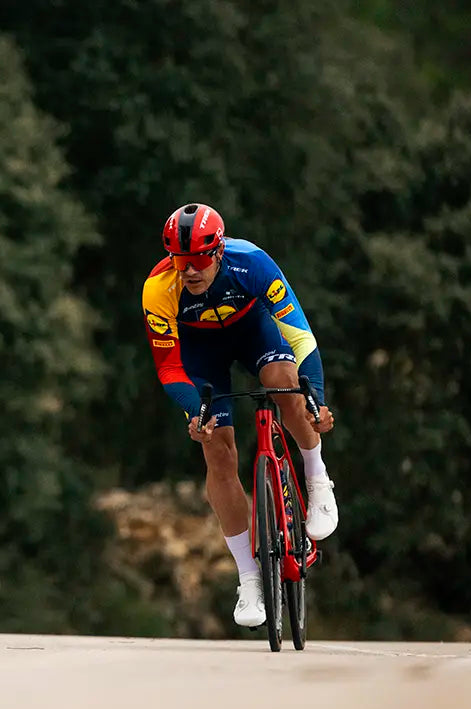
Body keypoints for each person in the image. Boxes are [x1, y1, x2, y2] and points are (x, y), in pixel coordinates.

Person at [141, 203, 337, 628]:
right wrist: (197, 412)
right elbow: (170, 369)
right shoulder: (158, 288)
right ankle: (249, 578)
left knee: (285, 386)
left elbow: (301, 337)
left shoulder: (251, 262)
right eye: (180, 261)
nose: (189, 271)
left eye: (198, 260)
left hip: (254, 333)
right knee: (216, 449)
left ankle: (317, 478)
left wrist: (316, 399)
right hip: (200, 354)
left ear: (218, 250)